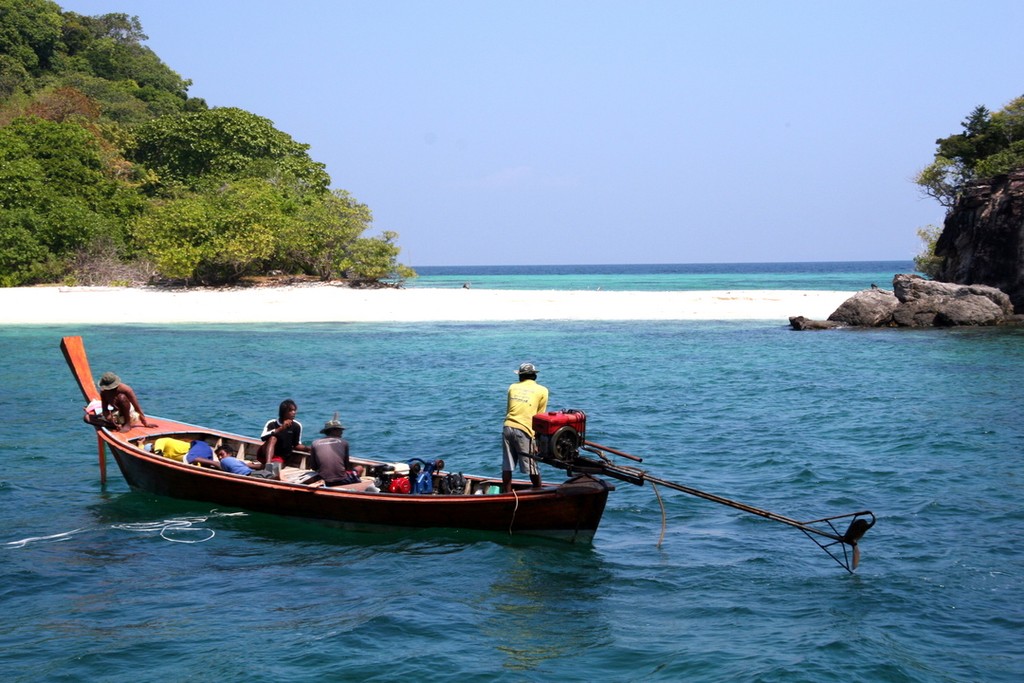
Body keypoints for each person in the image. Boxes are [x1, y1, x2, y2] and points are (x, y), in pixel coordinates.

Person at [502, 362, 548, 492]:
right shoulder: (542, 390)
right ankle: (539, 493)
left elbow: (508, 410)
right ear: (534, 376)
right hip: (524, 429)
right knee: (532, 466)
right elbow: (540, 418)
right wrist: (537, 440)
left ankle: (506, 495)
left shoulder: (512, 387)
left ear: (520, 377)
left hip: (507, 426)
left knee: (507, 466)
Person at [83, 372, 155, 433]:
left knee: (121, 397)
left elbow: (137, 406)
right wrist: (109, 418)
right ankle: (115, 425)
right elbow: (105, 409)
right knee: (86, 418)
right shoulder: (104, 393)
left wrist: (145, 422)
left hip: (130, 415)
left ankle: (127, 424)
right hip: (117, 415)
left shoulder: (126, 389)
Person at [309, 413, 365, 487]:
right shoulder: (344, 442)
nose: (342, 432)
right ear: (333, 431)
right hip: (342, 480)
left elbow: (313, 467)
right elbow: (346, 466)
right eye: (339, 430)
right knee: (360, 468)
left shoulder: (315, 443)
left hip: (324, 480)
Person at [257, 399, 310, 468]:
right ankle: (268, 464)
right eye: (291, 410)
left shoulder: (296, 426)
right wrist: (281, 428)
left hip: (281, 457)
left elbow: (296, 444)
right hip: (265, 454)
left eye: (294, 410)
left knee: (277, 467)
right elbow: (263, 437)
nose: (294, 413)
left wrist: (308, 448)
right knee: (273, 438)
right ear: (284, 412)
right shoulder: (272, 423)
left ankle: (254, 466)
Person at [188, 442, 276, 479]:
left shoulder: (230, 461)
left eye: (221, 454)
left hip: (251, 474)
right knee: (273, 474)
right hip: (250, 475)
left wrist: (196, 458)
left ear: (230, 453)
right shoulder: (226, 462)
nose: (220, 457)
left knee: (273, 474)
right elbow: (215, 463)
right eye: (218, 456)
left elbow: (215, 463)